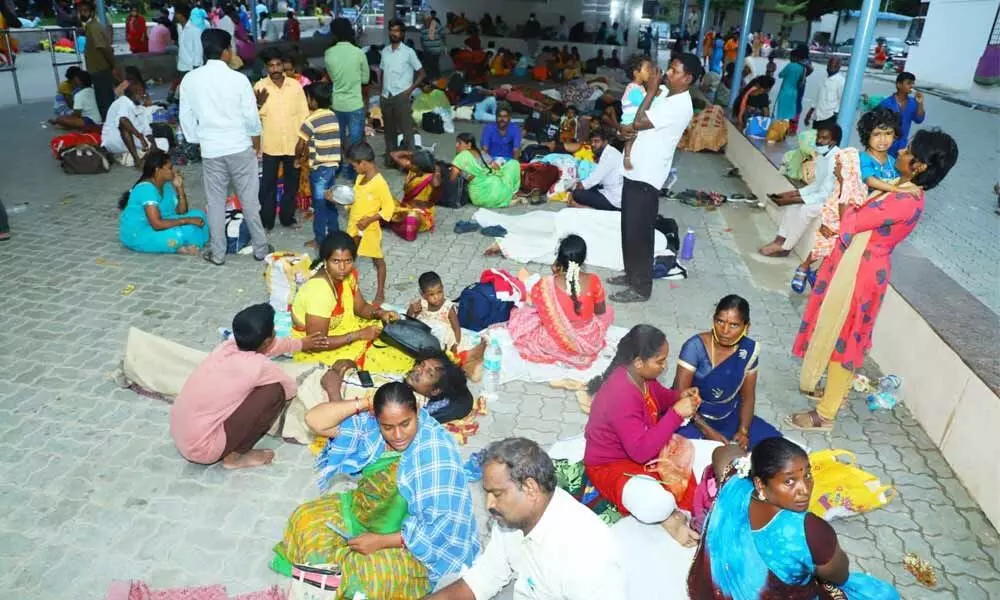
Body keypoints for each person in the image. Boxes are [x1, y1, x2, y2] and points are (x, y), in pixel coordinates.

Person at [786, 129, 958, 432]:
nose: (900, 153)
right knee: (836, 328)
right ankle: (820, 388)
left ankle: (826, 415)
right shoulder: (900, 187)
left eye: (907, 151)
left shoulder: (907, 200)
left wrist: (843, 186)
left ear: (919, 166)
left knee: (847, 339)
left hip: (861, 273)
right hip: (854, 265)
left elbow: (852, 221)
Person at [276, 382, 480, 597]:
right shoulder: (371, 429)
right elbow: (314, 421)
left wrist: (380, 541)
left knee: (365, 578)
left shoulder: (436, 453)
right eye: (388, 427)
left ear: (417, 412)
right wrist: (364, 403)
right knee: (304, 518)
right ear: (377, 420)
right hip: (365, 513)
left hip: (410, 540)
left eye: (406, 423)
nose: (398, 435)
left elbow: (440, 527)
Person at [689, 438, 901, 598]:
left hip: (705, 590)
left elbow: (722, 452)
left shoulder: (735, 481)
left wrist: (746, 460)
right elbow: (840, 575)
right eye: (790, 482)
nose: (805, 490)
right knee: (881, 594)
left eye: (807, 475)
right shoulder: (808, 530)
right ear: (761, 483)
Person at [427, 438, 628, 600]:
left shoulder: (585, 555)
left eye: (496, 494)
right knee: (447, 584)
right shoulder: (512, 521)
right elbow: (484, 578)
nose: (489, 505)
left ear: (530, 488)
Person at [583, 324, 703, 545]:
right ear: (639, 362)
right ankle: (668, 516)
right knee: (657, 503)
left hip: (636, 452)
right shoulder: (621, 395)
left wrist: (679, 396)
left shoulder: (639, 378)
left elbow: (661, 397)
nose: (664, 366)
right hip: (609, 466)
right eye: (660, 361)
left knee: (683, 458)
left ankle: (672, 515)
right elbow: (640, 453)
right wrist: (677, 413)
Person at [170, 303, 325, 468]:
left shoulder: (226, 347)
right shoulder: (259, 366)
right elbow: (289, 390)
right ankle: (235, 457)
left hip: (181, 434)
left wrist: (300, 344)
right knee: (274, 392)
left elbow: (270, 347)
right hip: (204, 448)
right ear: (267, 340)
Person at [610, 54, 699, 304]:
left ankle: (641, 287)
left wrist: (649, 92)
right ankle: (631, 275)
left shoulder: (680, 105)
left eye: (675, 71)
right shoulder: (664, 92)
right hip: (634, 168)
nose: (668, 74)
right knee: (629, 228)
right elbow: (633, 118)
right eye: (669, 68)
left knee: (641, 233)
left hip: (648, 175)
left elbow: (640, 120)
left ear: (688, 78)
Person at [179, 28, 271, 265]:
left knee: (216, 202)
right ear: (225, 52)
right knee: (250, 199)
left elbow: (186, 118)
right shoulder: (238, 79)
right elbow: (251, 118)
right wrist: (254, 139)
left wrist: (200, 138)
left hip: (211, 150)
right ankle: (260, 249)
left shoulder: (190, 79)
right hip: (239, 146)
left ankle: (218, 253)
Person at [672, 295, 781, 450]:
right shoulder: (694, 347)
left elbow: (748, 396)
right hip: (692, 417)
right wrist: (708, 431)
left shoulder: (748, 351)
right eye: (720, 321)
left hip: (728, 415)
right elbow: (680, 397)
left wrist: (743, 431)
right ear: (713, 320)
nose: (724, 331)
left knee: (772, 446)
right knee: (687, 450)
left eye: (734, 325)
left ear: (746, 326)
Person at [507, 235, 615, 369]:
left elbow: (537, 307)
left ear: (559, 258)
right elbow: (600, 311)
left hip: (552, 343)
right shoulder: (594, 280)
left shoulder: (545, 285)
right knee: (609, 311)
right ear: (583, 258)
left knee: (525, 312)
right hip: (588, 342)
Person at [758, 124, 841, 258]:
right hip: (822, 196)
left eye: (824, 138)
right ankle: (779, 240)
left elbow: (825, 195)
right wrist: (789, 195)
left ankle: (786, 248)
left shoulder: (835, 160)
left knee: (805, 210)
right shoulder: (822, 155)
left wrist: (790, 199)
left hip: (833, 202)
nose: (819, 141)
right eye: (818, 137)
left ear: (833, 141)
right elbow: (816, 185)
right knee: (792, 205)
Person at [254, 47, 309, 230]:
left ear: (284, 66)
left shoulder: (295, 86)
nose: (275, 69)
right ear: (266, 67)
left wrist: (303, 141)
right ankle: (267, 222)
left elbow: (304, 114)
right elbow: (252, 118)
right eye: (271, 66)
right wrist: (257, 104)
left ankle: (287, 218)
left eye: (278, 65)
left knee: (291, 186)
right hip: (270, 145)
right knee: (267, 187)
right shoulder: (259, 87)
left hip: (294, 144)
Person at [117, 150, 208, 254]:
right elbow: (157, 224)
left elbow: (181, 212)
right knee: (181, 233)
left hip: (161, 222)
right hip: (138, 233)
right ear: (157, 170)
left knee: (199, 215)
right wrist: (187, 220)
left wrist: (180, 189)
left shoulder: (165, 184)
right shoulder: (146, 189)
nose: (173, 171)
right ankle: (182, 245)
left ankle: (187, 242)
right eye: (170, 168)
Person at [345, 143, 395, 306]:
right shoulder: (360, 178)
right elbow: (354, 198)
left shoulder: (379, 183)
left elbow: (389, 207)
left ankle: (380, 293)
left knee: (378, 261)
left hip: (369, 229)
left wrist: (369, 220)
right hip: (354, 226)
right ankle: (347, 288)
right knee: (349, 258)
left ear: (364, 163)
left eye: (354, 165)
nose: (353, 169)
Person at [296, 82, 342, 249]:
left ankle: (320, 239)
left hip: (320, 168)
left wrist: (296, 158)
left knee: (319, 204)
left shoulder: (310, 120)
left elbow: (301, 144)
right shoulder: (332, 115)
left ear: (313, 101)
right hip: (332, 166)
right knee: (330, 200)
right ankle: (335, 233)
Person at [325, 18, 370, 181]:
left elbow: (330, 77)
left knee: (337, 139)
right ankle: (351, 171)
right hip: (355, 103)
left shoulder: (329, 53)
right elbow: (365, 79)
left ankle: (336, 169)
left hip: (337, 103)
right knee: (355, 140)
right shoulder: (358, 53)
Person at [381, 19, 426, 162]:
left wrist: (409, 90)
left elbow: (422, 73)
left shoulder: (408, 52)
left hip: (401, 95)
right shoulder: (385, 51)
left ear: (402, 34)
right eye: (391, 30)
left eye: (396, 31)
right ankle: (391, 158)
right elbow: (382, 72)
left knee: (406, 129)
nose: (393, 33)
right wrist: (381, 90)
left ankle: (411, 160)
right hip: (386, 95)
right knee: (389, 130)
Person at [451, 132, 521, 209]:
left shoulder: (460, 157)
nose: (456, 145)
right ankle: (512, 193)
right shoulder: (481, 153)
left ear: (469, 145)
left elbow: (452, 178)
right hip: (496, 190)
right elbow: (496, 167)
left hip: (478, 197)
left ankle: (507, 196)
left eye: (459, 143)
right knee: (514, 164)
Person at [102, 80, 154, 167]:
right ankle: (137, 160)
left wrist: (151, 146)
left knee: (161, 144)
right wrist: (140, 136)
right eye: (141, 93)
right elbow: (122, 120)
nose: (142, 96)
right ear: (134, 93)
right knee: (125, 127)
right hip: (114, 140)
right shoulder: (123, 101)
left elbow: (147, 131)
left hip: (126, 142)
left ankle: (123, 157)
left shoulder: (138, 108)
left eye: (143, 94)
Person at [78, 0, 115, 120]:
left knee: (105, 103)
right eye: (80, 11)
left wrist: (113, 65)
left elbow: (104, 48)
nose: (82, 14)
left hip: (101, 69)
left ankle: (110, 127)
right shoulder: (90, 27)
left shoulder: (94, 28)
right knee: (104, 101)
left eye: (85, 11)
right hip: (97, 69)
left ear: (92, 13)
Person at [407, 271, 461, 353]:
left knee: (442, 331)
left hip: (443, 338)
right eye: (431, 294)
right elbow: (408, 320)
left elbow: (456, 328)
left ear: (442, 288)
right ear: (423, 295)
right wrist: (412, 310)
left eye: (439, 292)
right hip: (426, 336)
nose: (437, 297)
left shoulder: (448, 307)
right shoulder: (421, 304)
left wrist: (456, 344)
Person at [570, 130, 623, 211]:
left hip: (615, 201)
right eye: (592, 141)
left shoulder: (609, 156)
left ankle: (588, 208)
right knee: (587, 188)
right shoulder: (609, 152)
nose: (593, 144)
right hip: (611, 191)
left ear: (605, 142)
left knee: (577, 194)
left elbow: (592, 180)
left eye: (596, 141)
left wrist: (573, 190)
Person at [389, 148, 440, 234]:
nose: (409, 163)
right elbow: (394, 154)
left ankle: (393, 220)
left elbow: (436, 185)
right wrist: (412, 154)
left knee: (411, 219)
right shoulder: (413, 170)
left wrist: (436, 170)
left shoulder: (430, 178)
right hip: (404, 208)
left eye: (412, 163)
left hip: (420, 214)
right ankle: (396, 219)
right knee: (381, 200)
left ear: (420, 167)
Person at [858, 107, 905, 195]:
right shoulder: (861, 158)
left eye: (888, 133)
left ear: (895, 136)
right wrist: (897, 189)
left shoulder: (894, 162)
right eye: (876, 134)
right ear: (867, 136)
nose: (883, 139)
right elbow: (869, 180)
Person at [879, 72, 926, 157]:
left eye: (912, 84)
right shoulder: (886, 103)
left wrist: (920, 103)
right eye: (908, 83)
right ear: (899, 85)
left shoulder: (913, 103)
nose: (911, 86)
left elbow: (919, 120)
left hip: (902, 145)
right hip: (886, 143)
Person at [804, 56, 844, 131]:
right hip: (817, 116)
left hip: (829, 117)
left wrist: (835, 116)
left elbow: (841, 101)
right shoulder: (824, 78)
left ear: (839, 67)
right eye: (829, 66)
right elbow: (817, 98)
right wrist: (809, 114)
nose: (831, 68)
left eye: (834, 66)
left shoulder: (841, 82)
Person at [775, 46, 807, 122]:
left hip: (785, 91)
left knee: (781, 113)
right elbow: (801, 82)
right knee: (789, 113)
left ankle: (779, 129)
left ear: (795, 57)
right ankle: (786, 128)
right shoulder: (803, 68)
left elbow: (780, 75)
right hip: (794, 92)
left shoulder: (790, 65)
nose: (790, 58)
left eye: (791, 56)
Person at [175, 4, 204, 78]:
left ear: (180, 15)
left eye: (176, 13)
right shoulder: (179, 27)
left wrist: (196, 67)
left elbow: (198, 49)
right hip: (182, 65)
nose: (174, 15)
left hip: (191, 67)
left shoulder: (194, 28)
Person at [421, 12, 445, 79]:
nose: (425, 22)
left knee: (433, 66)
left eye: (427, 20)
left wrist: (443, 46)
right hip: (427, 50)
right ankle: (431, 80)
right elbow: (422, 38)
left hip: (435, 51)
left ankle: (437, 80)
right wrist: (423, 46)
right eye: (424, 20)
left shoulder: (437, 25)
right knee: (428, 66)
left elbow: (443, 35)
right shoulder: (423, 27)